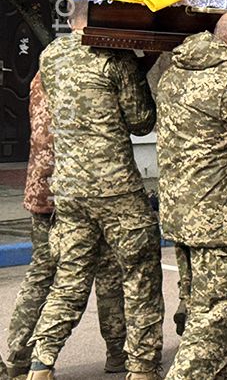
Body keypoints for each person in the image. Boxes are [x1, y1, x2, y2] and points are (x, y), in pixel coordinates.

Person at [27, 0, 160, 380]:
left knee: (68, 279)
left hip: (69, 187)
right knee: (140, 278)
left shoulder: (51, 55)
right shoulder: (113, 59)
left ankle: (42, 362)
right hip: (115, 187)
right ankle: (142, 367)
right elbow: (140, 122)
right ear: (103, 19)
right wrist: (138, 66)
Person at [158, 11, 227, 380]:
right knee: (216, 312)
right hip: (220, 217)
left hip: (181, 211)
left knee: (198, 306)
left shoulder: (177, 71)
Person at [6, 72, 127, 378]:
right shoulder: (91, 73)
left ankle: (20, 354)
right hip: (82, 185)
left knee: (41, 273)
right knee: (108, 270)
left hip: (42, 186)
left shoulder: (41, 75)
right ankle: (117, 351)